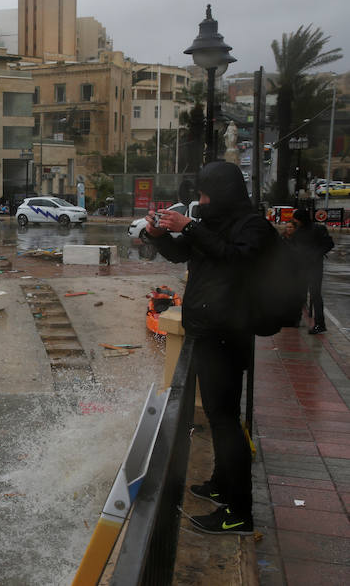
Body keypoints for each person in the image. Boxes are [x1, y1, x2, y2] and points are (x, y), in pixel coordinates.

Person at [144, 161, 275, 536]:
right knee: (221, 417)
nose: (200, 202)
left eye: (205, 195)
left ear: (223, 194)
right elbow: (182, 254)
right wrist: (158, 235)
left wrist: (191, 226)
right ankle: (220, 484)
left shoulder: (252, 226)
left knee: (224, 422)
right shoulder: (212, 224)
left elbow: (235, 260)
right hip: (206, 329)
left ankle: (238, 513)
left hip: (227, 333)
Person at [290, 208, 334, 334]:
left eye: (297, 219)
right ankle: (296, 319)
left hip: (315, 267)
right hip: (301, 267)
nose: (295, 222)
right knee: (299, 293)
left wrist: (316, 255)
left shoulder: (318, 229)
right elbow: (294, 247)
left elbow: (329, 244)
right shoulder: (298, 232)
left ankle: (320, 324)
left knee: (315, 295)